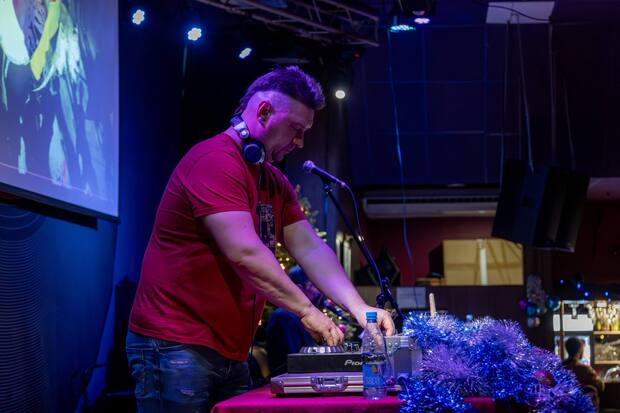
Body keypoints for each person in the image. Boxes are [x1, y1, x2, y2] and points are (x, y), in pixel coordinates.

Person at [126, 66, 395, 412]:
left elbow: (311, 249)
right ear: (264, 111)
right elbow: (246, 253)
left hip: (229, 350)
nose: (300, 142)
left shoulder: (273, 181)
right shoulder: (214, 161)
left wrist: (360, 309)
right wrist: (306, 310)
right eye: (296, 129)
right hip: (174, 344)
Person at [266, 265, 321, 377]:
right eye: (312, 286)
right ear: (299, 289)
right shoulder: (283, 317)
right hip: (291, 379)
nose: (317, 292)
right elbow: (294, 360)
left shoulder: (297, 315)